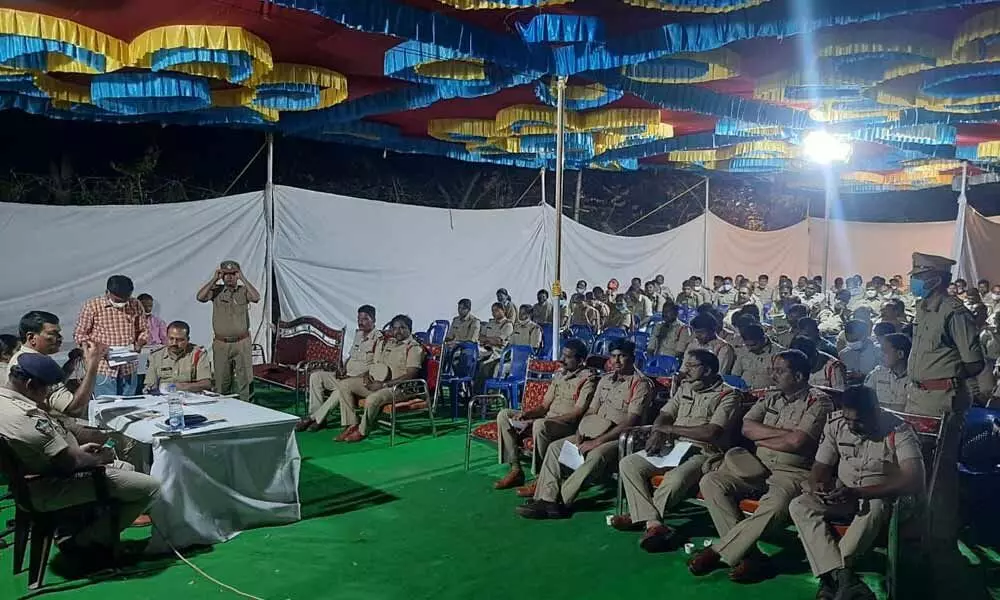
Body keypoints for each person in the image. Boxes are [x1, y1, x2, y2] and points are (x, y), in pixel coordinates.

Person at [0, 353, 160, 565]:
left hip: (38, 476)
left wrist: (80, 450)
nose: (47, 394)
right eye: (46, 388)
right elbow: (70, 463)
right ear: (30, 384)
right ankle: (83, 542)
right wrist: (100, 458)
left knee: (128, 467)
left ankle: (94, 533)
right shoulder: (25, 416)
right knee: (152, 487)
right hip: (48, 485)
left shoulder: (6, 401)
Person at [689, 350, 834, 582]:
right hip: (756, 464)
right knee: (711, 481)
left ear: (798, 376)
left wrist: (764, 436)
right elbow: (747, 427)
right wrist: (783, 437)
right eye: (772, 370)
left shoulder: (819, 402)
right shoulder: (771, 397)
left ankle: (719, 552)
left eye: (779, 371)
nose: (773, 375)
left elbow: (798, 442)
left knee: (775, 505)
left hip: (792, 472)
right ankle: (751, 557)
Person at [790, 386, 925, 600]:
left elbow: (914, 479)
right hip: (844, 493)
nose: (852, 426)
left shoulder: (898, 430)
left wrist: (860, 492)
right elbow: (820, 465)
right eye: (848, 419)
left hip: (882, 496)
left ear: (876, 411)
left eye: (859, 421)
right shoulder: (836, 424)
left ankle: (830, 581)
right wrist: (818, 484)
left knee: (876, 505)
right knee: (799, 505)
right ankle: (845, 579)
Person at [906, 253, 986, 592]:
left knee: (939, 475)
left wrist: (945, 379)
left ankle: (939, 542)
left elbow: (973, 362)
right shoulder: (924, 310)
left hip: (942, 401)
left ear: (936, 278)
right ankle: (919, 533)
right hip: (917, 398)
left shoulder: (954, 312)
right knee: (918, 471)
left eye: (919, 274)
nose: (914, 280)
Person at [614, 350, 741, 550]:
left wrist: (669, 429)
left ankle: (642, 517)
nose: (685, 370)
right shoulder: (685, 388)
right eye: (685, 365)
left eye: (692, 366)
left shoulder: (728, 395)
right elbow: (665, 414)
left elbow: (711, 432)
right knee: (629, 463)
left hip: (704, 451)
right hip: (674, 447)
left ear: (707, 370)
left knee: (674, 480)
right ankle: (653, 523)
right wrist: (658, 431)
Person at [516, 340, 652, 519]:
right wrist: (581, 432)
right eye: (613, 356)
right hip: (593, 431)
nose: (617, 361)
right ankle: (546, 499)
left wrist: (597, 442)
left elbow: (630, 421)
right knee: (555, 448)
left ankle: (560, 501)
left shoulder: (640, 384)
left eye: (622, 356)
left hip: (619, 438)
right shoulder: (605, 380)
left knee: (596, 455)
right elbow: (590, 411)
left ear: (632, 358)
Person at [493, 339, 597, 492]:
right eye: (563, 355)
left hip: (566, 425)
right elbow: (544, 406)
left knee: (540, 425)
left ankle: (542, 478)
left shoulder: (588, 380)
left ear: (580, 360)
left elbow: (576, 414)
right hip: (546, 419)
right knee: (504, 415)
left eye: (568, 357)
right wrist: (526, 414)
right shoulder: (560, 375)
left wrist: (538, 420)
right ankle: (515, 469)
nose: (562, 359)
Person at [340, 315, 425, 443]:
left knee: (372, 399)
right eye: (395, 328)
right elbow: (378, 364)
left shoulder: (413, 348)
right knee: (344, 385)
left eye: (402, 328)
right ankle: (352, 424)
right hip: (378, 383)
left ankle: (363, 431)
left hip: (400, 388)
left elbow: (410, 375)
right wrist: (367, 376)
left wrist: (384, 385)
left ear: (410, 329)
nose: (398, 331)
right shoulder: (389, 344)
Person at [298, 305, 380, 432]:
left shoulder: (378, 339)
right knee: (316, 376)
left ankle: (314, 419)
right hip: (346, 375)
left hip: (360, 382)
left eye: (365, 319)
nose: (360, 322)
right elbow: (351, 356)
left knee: (342, 388)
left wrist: (355, 377)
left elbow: (376, 367)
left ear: (373, 320)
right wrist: (342, 368)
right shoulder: (358, 335)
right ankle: (319, 416)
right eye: (359, 318)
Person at [8, 311, 104, 418]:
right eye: (52, 334)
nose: (60, 338)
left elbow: (51, 384)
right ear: (31, 338)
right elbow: (74, 409)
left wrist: (71, 363)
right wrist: (92, 365)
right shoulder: (35, 364)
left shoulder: (23, 357)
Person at [75, 275, 150, 398]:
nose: (122, 303)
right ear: (107, 293)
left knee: (129, 407)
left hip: (128, 366)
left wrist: (140, 343)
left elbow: (144, 330)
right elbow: (80, 335)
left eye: (125, 299)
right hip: (103, 368)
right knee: (106, 407)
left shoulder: (135, 304)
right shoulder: (92, 306)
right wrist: (96, 347)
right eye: (118, 300)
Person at [196, 261, 260, 402]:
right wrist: (214, 279)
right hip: (222, 343)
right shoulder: (216, 291)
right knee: (221, 380)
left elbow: (256, 297)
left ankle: (248, 408)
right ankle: (224, 407)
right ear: (221, 275)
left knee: (245, 380)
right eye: (226, 274)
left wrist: (243, 278)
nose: (229, 277)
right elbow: (200, 297)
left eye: (233, 274)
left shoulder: (243, 291)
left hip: (241, 342)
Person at [143, 321, 212, 393]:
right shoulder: (156, 356)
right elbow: (150, 385)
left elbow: (206, 384)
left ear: (187, 340)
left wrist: (180, 387)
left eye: (180, 340)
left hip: (191, 397)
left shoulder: (198, 354)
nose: (174, 343)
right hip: (163, 399)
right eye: (171, 339)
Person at [864, 333, 912, 410]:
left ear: (900, 354)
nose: (880, 355)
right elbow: (865, 399)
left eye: (884, 351)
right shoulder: (877, 373)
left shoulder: (914, 379)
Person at [732, 324, 783, 389]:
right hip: (743, 392)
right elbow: (735, 374)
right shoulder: (743, 350)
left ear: (763, 338)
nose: (749, 349)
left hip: (769, 394)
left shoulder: (779, 354)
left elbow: (784, 381)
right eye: (747, 345)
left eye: (753, 345)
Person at [839, 319, 879, 384]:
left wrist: (862, 376)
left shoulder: (878, 352)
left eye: (855, 340)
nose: (852, 343)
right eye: (849, 340)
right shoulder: (844, 354)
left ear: (865, 335)